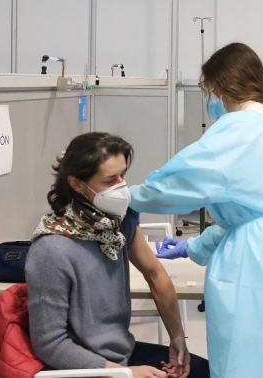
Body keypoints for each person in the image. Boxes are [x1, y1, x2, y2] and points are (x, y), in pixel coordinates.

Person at [129, 43, 263, 378]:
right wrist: (192, 246)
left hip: (257, 269)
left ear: (219, 86)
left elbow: (178, 185)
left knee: (252, 364)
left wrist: (126, 197)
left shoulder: (238, 128)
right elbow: (249, 215)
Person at [26, 132, 209, 378]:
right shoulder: (51, 250)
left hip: (121, 354)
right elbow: (50, 345)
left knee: (205, 371)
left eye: (123, 175)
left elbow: (156, 275)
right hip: (81, 368)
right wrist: (125, 373)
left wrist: (178, 339)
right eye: (110, 180)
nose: (121, 187)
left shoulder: (116, 224)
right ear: (77, 184)